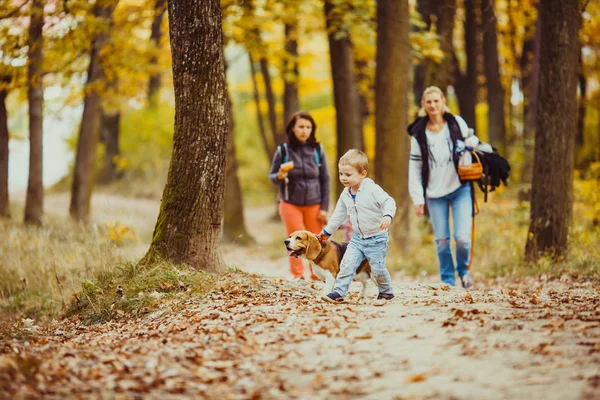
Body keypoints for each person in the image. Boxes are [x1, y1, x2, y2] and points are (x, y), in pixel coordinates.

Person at [408, 86, 477, 289]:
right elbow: (414, 168)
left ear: (443, 101)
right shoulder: (418, 134)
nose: (433, 105)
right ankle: (448, 281)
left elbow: (472, 139)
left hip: (460, 188)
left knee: (462, 238)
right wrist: (418, 198)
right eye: (428, 102)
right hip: (434, 193)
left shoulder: (456, 122)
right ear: (423, 105)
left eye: (436, 101)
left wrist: (470, 143)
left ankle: (463, 272)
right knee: (443, 241)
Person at [318, 149, 396, 305]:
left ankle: (386, 292)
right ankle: (339, 292)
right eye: (341, 174)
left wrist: (387, 215)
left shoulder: (372, 190)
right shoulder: (345, 194)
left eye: (348, 174)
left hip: (377, 238)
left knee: (377, 268)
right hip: (358, 239)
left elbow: (389, 202)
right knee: (346, 264)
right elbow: (338, 215)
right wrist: (327, 232)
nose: (343, 178)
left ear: (362, 174)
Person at [269, 111, 330, 280]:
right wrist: (279, 176)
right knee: (294, 241)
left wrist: (324, 207)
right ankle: (298, 275)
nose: (304, 130)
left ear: (312, 130)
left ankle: (316, 275)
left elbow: (325, 179)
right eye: (301, 126)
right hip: (290, 203)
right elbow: (272, 176)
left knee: (316, 241)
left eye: (308, 127)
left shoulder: (318, 150)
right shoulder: (283, 150)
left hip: (314, 202)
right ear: (293, 129)